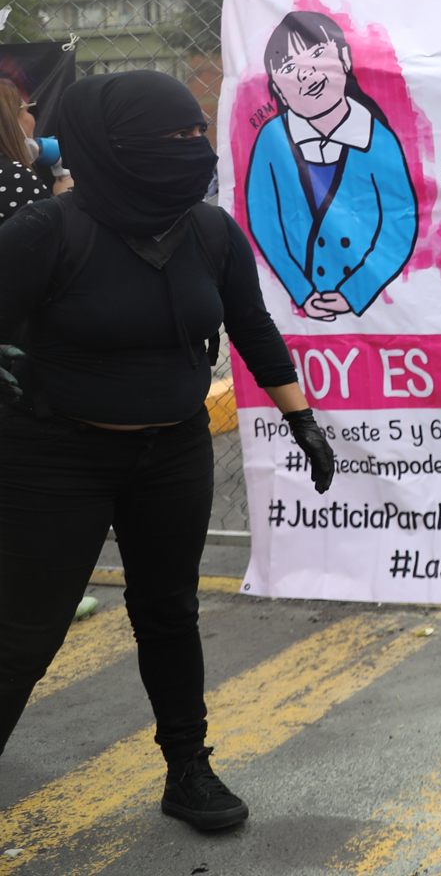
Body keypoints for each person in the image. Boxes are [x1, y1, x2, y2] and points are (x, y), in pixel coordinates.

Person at [0, 71, 336, 829]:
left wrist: (303, 422)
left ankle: (189, 770)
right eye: (171, 136)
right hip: (54, 457)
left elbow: (252, 328)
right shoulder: (46, 231)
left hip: (173, 452)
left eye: (197, 133)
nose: (193, 149)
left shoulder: (210, 231)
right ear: (113, 146)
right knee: (23, 634)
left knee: (169, 613)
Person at [244, 10, 418, 322]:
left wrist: (355, 291)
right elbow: (264, 222)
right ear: (279, 90)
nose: (306, 74)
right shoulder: (271, 140)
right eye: (288, 68)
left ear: (345, 59)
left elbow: (399, 223)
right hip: (301, 300)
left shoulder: (377, 139)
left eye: (317, 55)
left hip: (366, 295)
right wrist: (302, 292)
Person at [0, 83, 51, 223]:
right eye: (29, 110)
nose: (33, 118)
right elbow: (54, 229)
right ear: (9, 120)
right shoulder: (14, 178)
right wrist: (65, 187)